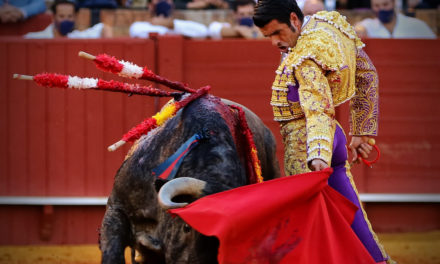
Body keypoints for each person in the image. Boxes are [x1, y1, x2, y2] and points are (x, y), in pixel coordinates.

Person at [253, 0, 393, 263]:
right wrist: (361, 132)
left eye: (276, 33)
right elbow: (367, 75)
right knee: (353, 216)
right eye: (268, 36)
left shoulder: (306, 54)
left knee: (306, 227)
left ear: (294, 19)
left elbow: (317, 109)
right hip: (335, 137)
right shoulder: (328, 24)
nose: (274, 42)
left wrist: (317, 152)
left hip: (305, 141)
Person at [24, 0, 113, 38]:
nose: (66, 20)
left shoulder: (75, 36)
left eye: (70, 16)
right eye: (61, 16)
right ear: (53, 17)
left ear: (75, 17)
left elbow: (103, 27)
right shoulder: (35, 37)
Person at [355, 0, 436, 38]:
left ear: (393, 3)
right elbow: (357, 29)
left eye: (385, 4)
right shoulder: (368, 25)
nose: (381, 9)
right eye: (376, 6)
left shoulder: (416, 25)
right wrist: (358, 30)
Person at [129, 0, 208, 39]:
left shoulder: (177, 24)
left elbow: (203, 31)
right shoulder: (140, 26)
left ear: (172, 4)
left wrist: (170, 24)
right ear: (150, 6)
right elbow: (135, 30)